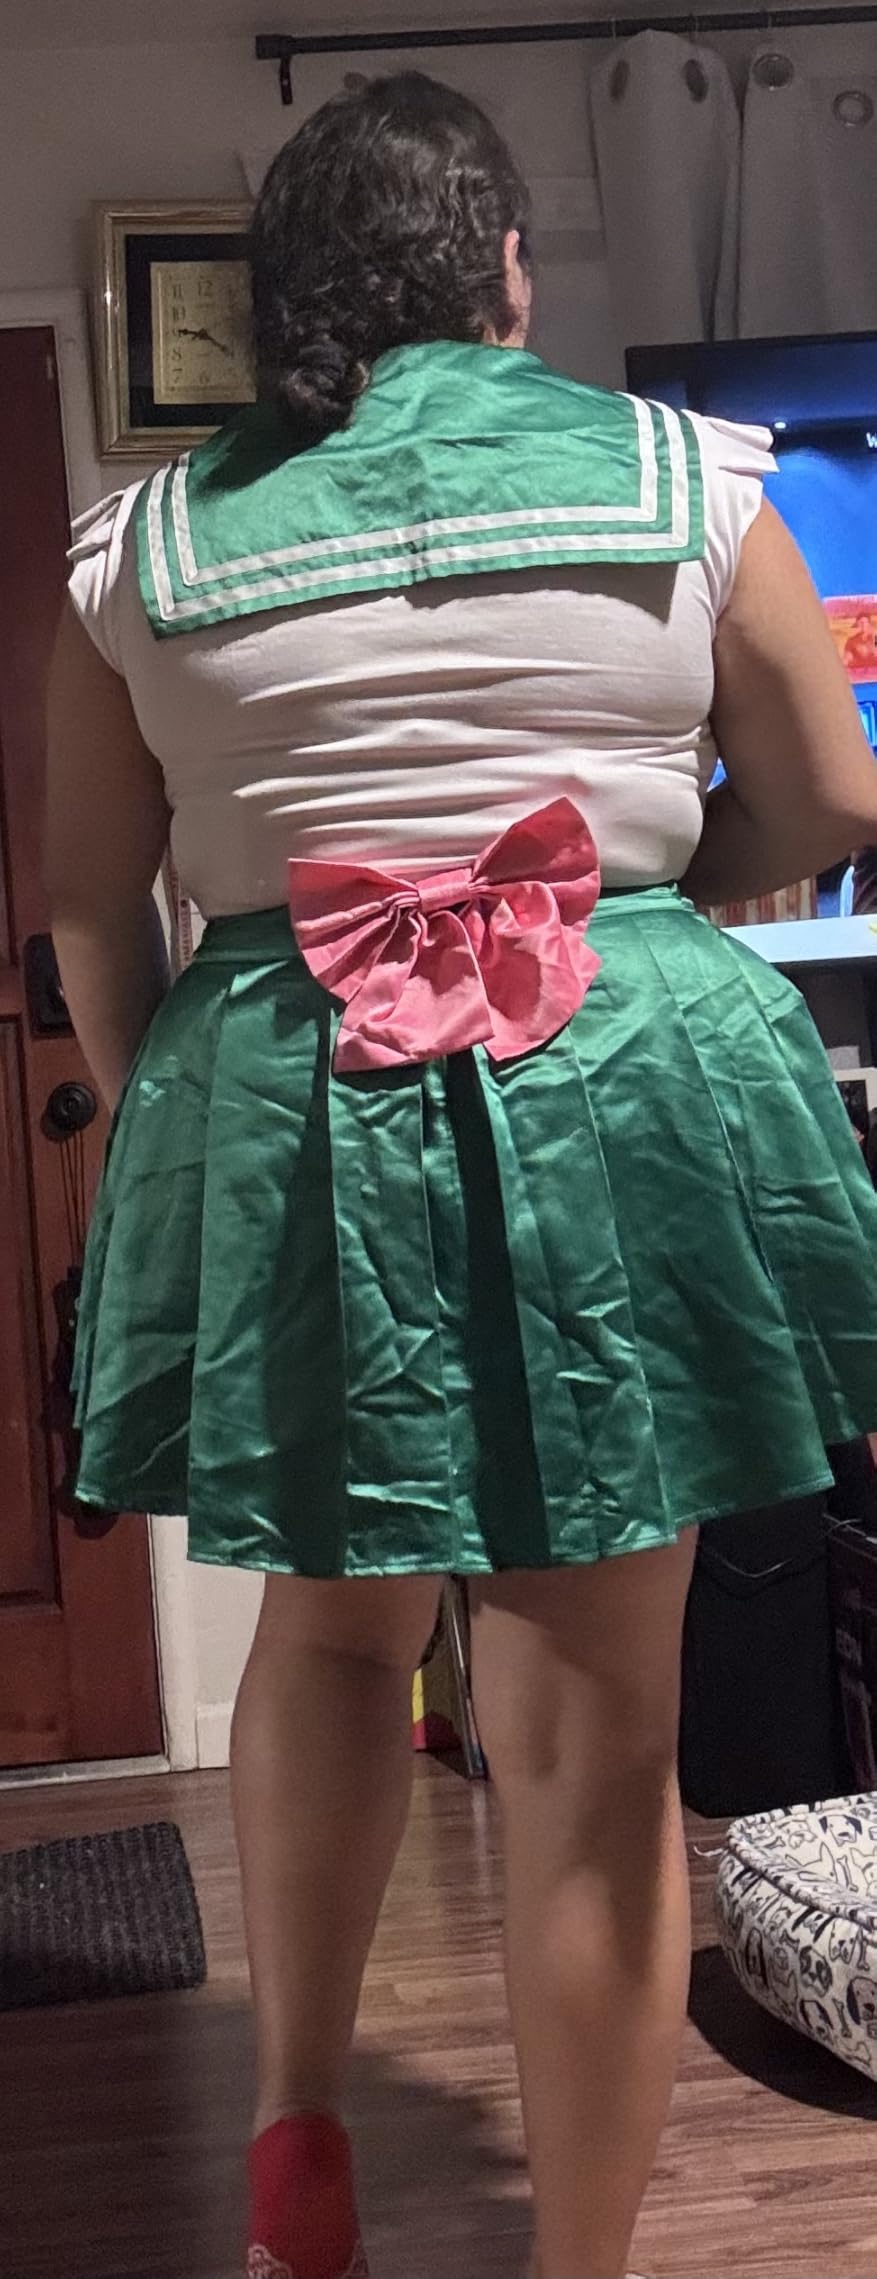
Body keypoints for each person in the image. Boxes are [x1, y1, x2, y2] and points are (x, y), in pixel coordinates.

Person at [47, 71, 877, 2279]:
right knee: (589, 1730)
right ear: (508, 272)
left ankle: (298, 2132)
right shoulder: (691, 478)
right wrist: (647, 870)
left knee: (325, 1640)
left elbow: (88, 902)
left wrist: (169, 1126)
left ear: (281, 309)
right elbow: (826, 796)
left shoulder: (142, 545)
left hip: (292, 1086)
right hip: (618, 1082)